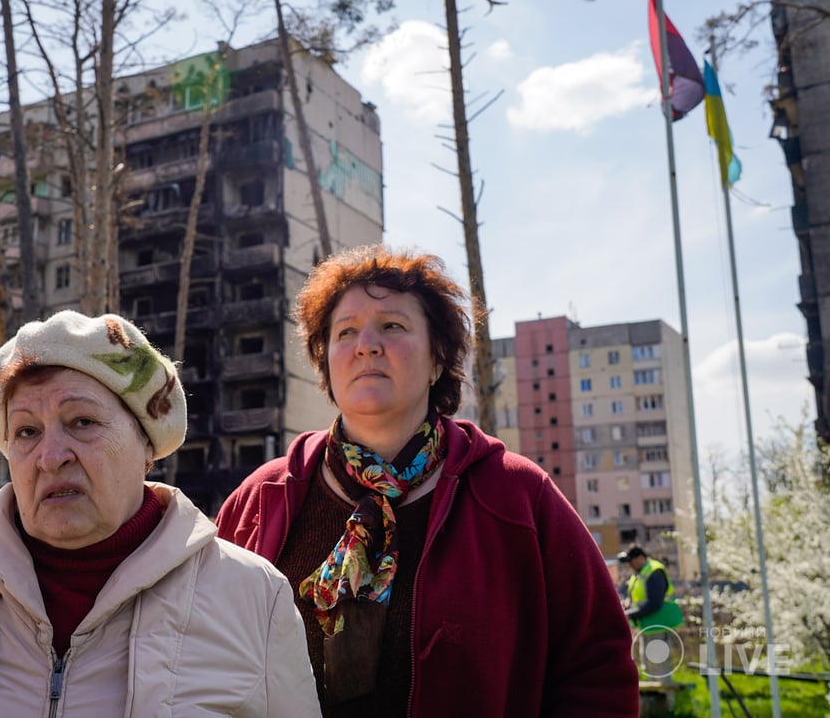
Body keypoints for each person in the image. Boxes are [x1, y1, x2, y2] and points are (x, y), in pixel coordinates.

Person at [215, 244, 639, 716]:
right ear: (325, 361)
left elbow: (596, 668)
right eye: (346, 331)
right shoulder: (263, 498)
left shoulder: (518, 496)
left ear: (438, 357)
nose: (366, 344)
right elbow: (203, 657)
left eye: (392, 326)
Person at [0, 310, 320, 717]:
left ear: (146, 444)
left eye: (82, 422)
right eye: (27, 431)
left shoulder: (254, 597)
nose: (51, 456)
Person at [620, 544, 684, 682]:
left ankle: (665, 699)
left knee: (658, 665)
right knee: (648, 664)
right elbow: (634, 596)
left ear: (640, 558)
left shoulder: (654, 571)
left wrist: (631, 614)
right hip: (648, 625)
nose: (630, 565)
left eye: (631, 561)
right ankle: (654, 699)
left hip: (659, 623)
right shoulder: (639, 574)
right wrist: (627, 604)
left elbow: (654, 603)